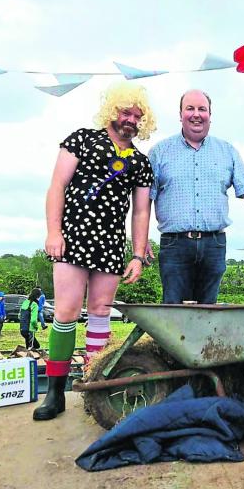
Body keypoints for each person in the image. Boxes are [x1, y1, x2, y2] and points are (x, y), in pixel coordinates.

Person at [36, 83, 155, 421]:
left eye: (137, 116)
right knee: (66, 312)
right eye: (126, 112)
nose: (130, 120)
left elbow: (141, 211)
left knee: (101, 312)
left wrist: (137, 254)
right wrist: (54, 232)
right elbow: (57, 185)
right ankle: (55, 393)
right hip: (72, 238)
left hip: (110, 244)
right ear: (112, 111)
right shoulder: (81, 139)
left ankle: (94, 386)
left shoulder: (141, 162)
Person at [148, 89, 244, 304]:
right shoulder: (159, 152)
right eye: (190, 108)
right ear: (180, 115)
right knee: (174, 309)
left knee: (209, 310)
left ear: (210, 115)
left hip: (213, 245)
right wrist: (141, 241)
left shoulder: (227, 151)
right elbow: (145, 199)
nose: (196, 114)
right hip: (174, 245)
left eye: (202, 109)